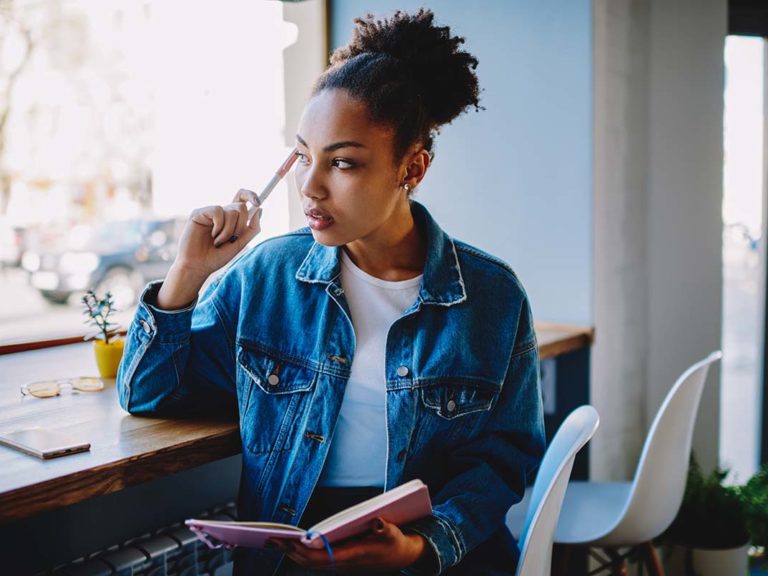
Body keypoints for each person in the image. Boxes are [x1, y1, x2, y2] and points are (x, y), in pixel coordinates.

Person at [117, 9, 544, 575]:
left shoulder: (491, 298)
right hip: (293, 553)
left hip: (430, 555)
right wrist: (186, 275)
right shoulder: (266, 276)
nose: (311, 186)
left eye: (342, 163)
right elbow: (148, 394)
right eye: (303, 156)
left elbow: (502, 461)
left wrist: (420, 547)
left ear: (412, 169)